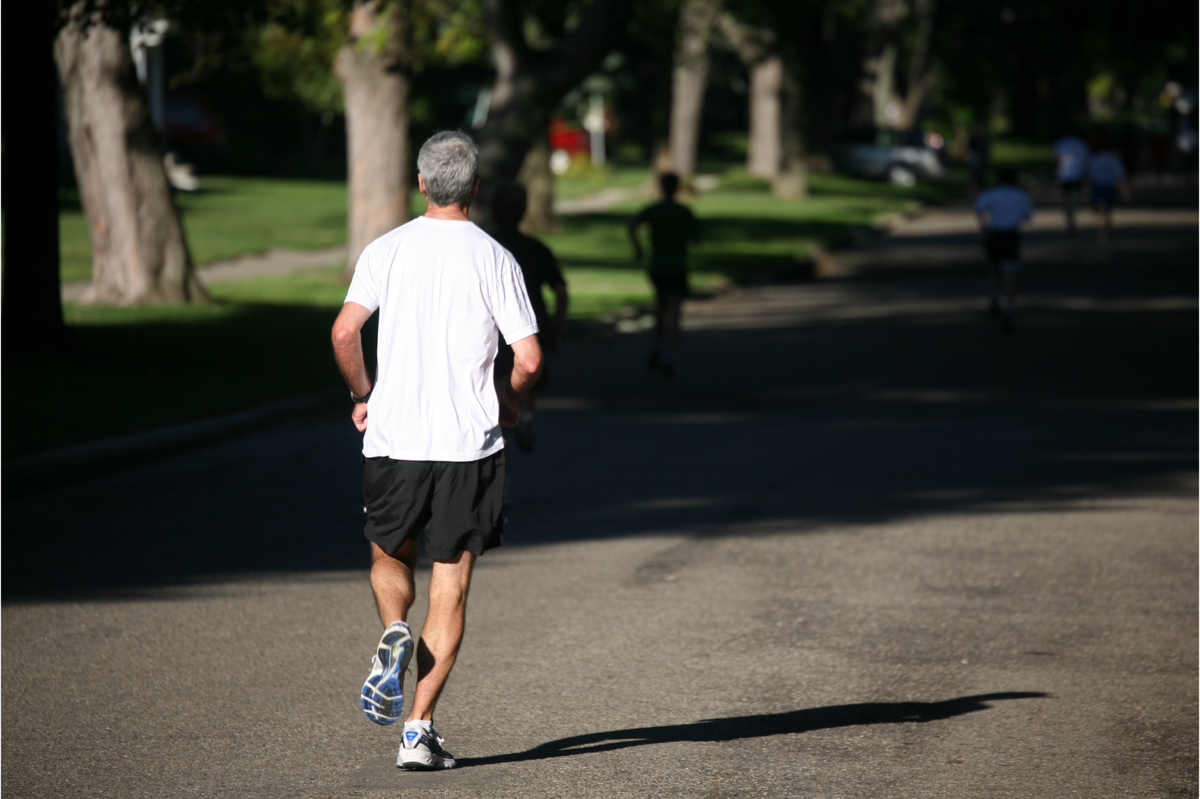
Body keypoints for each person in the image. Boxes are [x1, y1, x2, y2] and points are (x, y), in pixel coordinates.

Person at [330, 131, 542, 771]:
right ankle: (417, 730)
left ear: (420, 183)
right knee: (450, 586)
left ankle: (393, 626)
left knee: (390, 556)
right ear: (475, 188)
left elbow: (344, 331)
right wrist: (508, 398)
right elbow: (528, 357)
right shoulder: (494, 257)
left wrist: (363, 392)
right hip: (467, 448)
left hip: (395, 439)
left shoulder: (386, 250)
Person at [489, 181, 569, 453]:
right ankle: (528, 416)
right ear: (523, 211)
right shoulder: (537, 249)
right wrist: (556, 331)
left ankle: (505, 473)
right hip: (534, 328)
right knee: (528, 377)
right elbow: (561, 291)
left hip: (494, 332)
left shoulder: (487, 248)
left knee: (496, 393)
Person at [627, 173, 699, 380]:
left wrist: (638, 247)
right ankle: (668, 355)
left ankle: (657, 345)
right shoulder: (684, 211)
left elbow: (632, 224)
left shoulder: (653, 210)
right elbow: (695, 238)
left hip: (657, 267)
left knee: (660, 308)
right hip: (678, 267)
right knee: (675, 312)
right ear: (677, 188)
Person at [974, 167, 1034, 334]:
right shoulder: (1021, 195)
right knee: (1010, 270)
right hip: (1011, 236)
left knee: (994, 267)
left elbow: (979, 209)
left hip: (994, 234)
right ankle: (1008, 307)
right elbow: (1028, 217)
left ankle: (994, 296)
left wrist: (984, 224)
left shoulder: (992, 193)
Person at [1086, 143, 1128, 246]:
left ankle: (1102, 227)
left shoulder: (1096, 159)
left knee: (1099, 208)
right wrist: (1124, 191)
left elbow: (1091, 174)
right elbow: (1120, 176)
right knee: (1109, 210)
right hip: (1110, 187)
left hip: (1098, 186)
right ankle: (1105, 229)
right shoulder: (1114, 160)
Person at [1053, 132, 1090, 234]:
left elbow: (1058, 160)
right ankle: (1072, 218)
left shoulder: (1061, 143)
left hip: (1064, 175)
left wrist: (1056, 173)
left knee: (1066, 199)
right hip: (1078, 175)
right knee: (1075, 198)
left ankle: (1069, 219)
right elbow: (1085, 161)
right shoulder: (1081, 144)